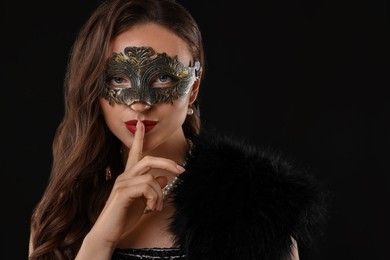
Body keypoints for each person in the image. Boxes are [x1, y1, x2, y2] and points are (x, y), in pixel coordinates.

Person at [29, 0, 327, 259]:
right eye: (119, 78)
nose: (140, 102)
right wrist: (102, 237)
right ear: (94, 87)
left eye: (162, 78)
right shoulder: (62, 213)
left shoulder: (256, 203)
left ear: (193, 88)